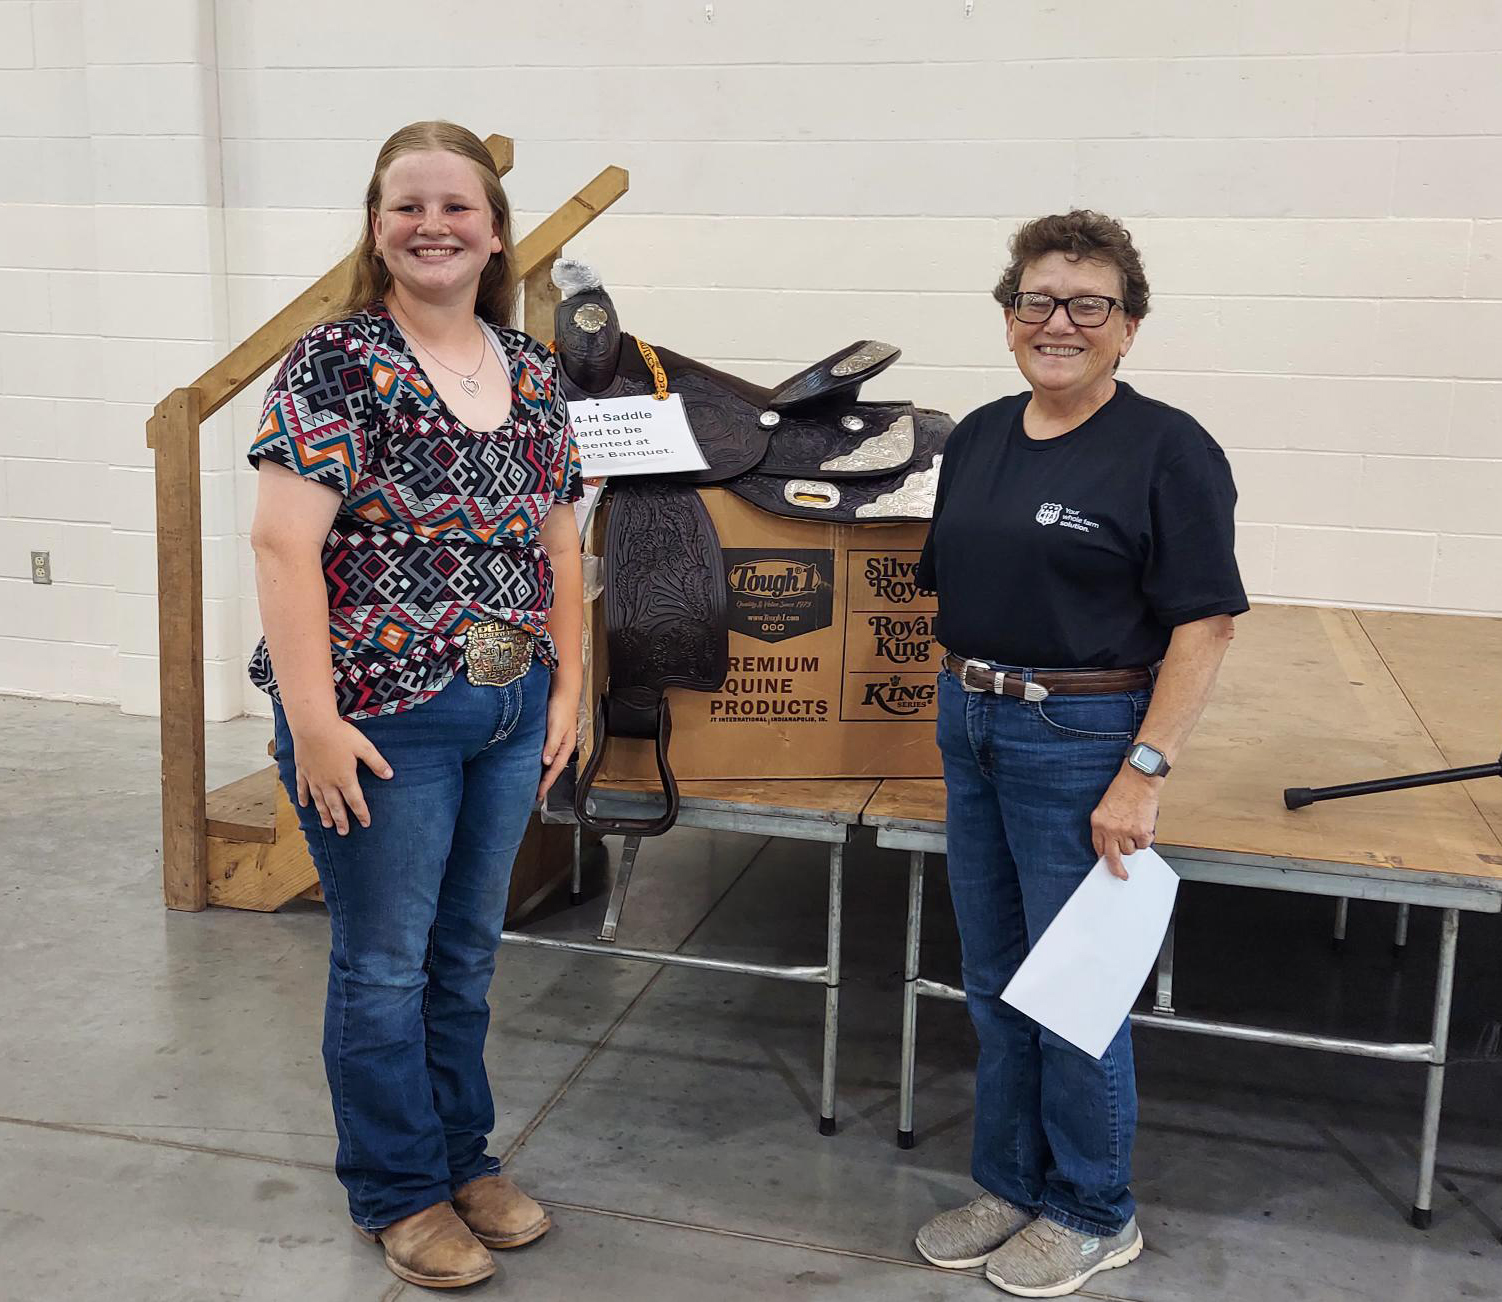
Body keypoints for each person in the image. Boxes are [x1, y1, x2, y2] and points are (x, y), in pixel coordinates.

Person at [247, 120, 583, 1290]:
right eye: (408, 206)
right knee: (384, 963)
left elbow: (556, 538)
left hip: (503, 704)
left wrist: (568, 684)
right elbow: (283, 548)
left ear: (495, 234)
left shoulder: (531, 369)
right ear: (377, 229)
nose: (433, 224)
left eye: (456, 206)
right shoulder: (336, 362)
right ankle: (398, 1188)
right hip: (378, 714)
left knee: (467, 954)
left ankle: (463, 1157)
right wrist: (315, 720)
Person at [912, 210, 1246, 1298]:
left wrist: (1140, 772)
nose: (1057, 322)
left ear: (1127, 326)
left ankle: (1095, 1209)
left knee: (1074, 991)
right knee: (994, 978)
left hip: (1083, 736)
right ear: (1008, 318)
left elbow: (1203, 625)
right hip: (973, 723)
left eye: (1086, 304)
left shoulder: (1167, 449)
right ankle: (1011, 1184)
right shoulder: (977, 434)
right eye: (1035, 301)